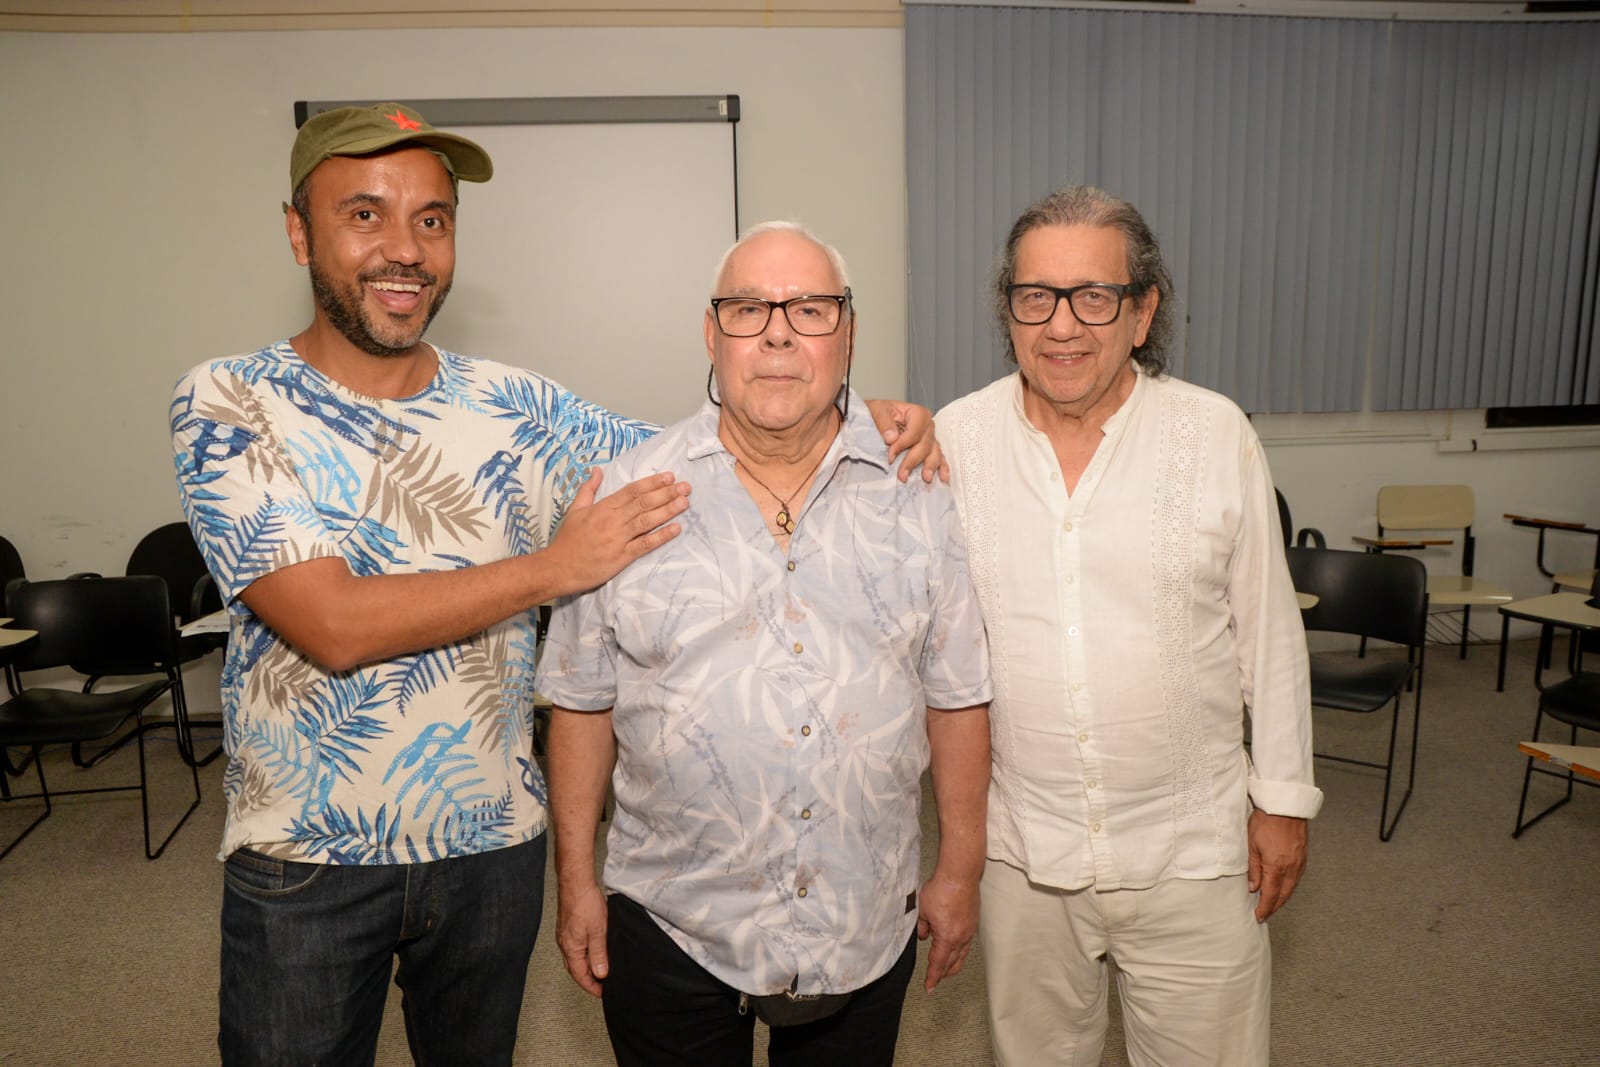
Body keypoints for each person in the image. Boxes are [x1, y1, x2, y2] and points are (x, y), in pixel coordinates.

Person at [168, 103, 942, 1067]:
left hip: (491, 851)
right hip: (308, 860)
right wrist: (554, 568)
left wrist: (846, 413)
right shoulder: (229, 400)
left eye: (432, 220)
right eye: (364, 214)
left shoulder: (518, 406)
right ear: (298, 232)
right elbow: (331, 623)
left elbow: (713, 453)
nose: (404, 248)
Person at [536, 221, 993, 1067]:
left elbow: (957, 694)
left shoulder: (919, 490)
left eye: (810, 309)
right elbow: (581, 701)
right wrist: (575, 883)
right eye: (749, 308)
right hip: (670, 919)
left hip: (861, 914)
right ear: (711, 334)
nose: (778, 333)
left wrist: (960, 870)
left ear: (848, 334)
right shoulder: (629, 495)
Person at [935, 185, 1323, 1066]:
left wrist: (1283, 800)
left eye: (1093, 297)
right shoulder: (956, 441)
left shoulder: (1215, 433)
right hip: (1025, 852)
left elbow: (1269, 635)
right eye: (1036, 296)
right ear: (1008, 312)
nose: (1061, 325)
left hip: (1194, 850)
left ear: (1143, 312)